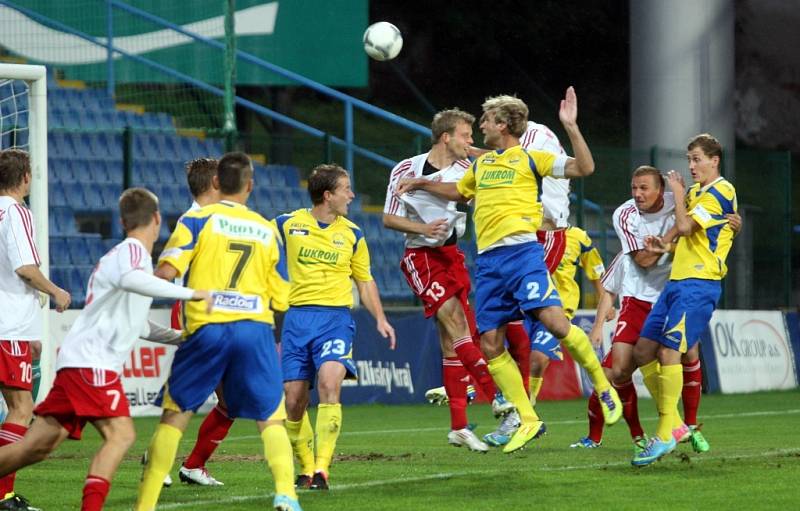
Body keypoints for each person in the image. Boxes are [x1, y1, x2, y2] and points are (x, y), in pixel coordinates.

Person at [397, 88, 622, 453]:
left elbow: (584, 168)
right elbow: (459, 192)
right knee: (489, 343)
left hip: (522, 254)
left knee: (553, 321)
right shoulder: (483, 165)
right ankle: (527, 418)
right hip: (488, 264)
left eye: (485, 120)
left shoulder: (532, 159)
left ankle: (602, 384)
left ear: (501, 124)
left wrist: (572, 127)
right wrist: (423, 182)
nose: (480, 125)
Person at [0, 187, 212, 511]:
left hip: (79, 362)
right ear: (157, 219)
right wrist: (192, 294)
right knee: (122, 435)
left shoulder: (129, 259)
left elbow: (140, 325)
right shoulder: (132, 254)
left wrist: (181, 337)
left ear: (123, 220)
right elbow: (133, 280)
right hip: (91, 364)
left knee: (36, 448)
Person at [136, 152, 301, 511]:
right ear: (250, 185)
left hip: (207, 326)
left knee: (176, 414)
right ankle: (286, 494)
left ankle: (145, 505)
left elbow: (165, 274)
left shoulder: (196, 222)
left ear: (217, 183)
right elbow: (283, 297)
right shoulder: (266, 229)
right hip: (255, 329)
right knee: (270, 416)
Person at [383, 108, 499, 453]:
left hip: (453, 257)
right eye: (466, 135)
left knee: (452, 343)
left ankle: (459, 427)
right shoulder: (405, 168)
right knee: (458, 324)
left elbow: (486, 170)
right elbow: (389, 219)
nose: (471, 140)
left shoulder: (467, 169)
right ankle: (497, 398)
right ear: (446, 137)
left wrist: (472, 152)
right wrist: (422, 228)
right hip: (421, 256)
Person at [277, 164, 396, 490]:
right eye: (346, 189)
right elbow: (260, 247)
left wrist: (381, 318)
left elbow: (365, 280)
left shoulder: (353, 234)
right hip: (297, 319)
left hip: (335, 321)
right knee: (293, 400)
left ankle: (322, 469)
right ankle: (304, 467)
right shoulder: (288, 224)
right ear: (327, 195)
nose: (352, 195)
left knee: (330, 382)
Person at [631, 134, 738, 467]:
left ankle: (664, 432)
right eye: (688, 160)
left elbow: (686, 226)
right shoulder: (695, 193)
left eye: (696, 159)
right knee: (643, 349)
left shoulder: (722, 189)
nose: (690, 167)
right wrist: (663, 246)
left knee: (669, 350)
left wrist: (677, 196)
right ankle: (675, 423)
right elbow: (684, 237)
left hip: (699, 284)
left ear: (714, 160)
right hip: (677, 281)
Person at [0, 148, 71, 511]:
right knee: (21, 408)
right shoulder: (16, 212)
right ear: (25, 178)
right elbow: (25, 267)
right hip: (7, 326)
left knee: (20, 399)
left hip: (12, 329)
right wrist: (56, 290)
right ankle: (3, 494)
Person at [158, 158, 232, 487]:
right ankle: (158, 462)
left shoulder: (221, 218)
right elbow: (171, 273)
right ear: (215, 182)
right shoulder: (194, 220)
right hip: (196, 312)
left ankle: (193, 466)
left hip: (222, 314)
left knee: (231, 398)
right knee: (189, 393)